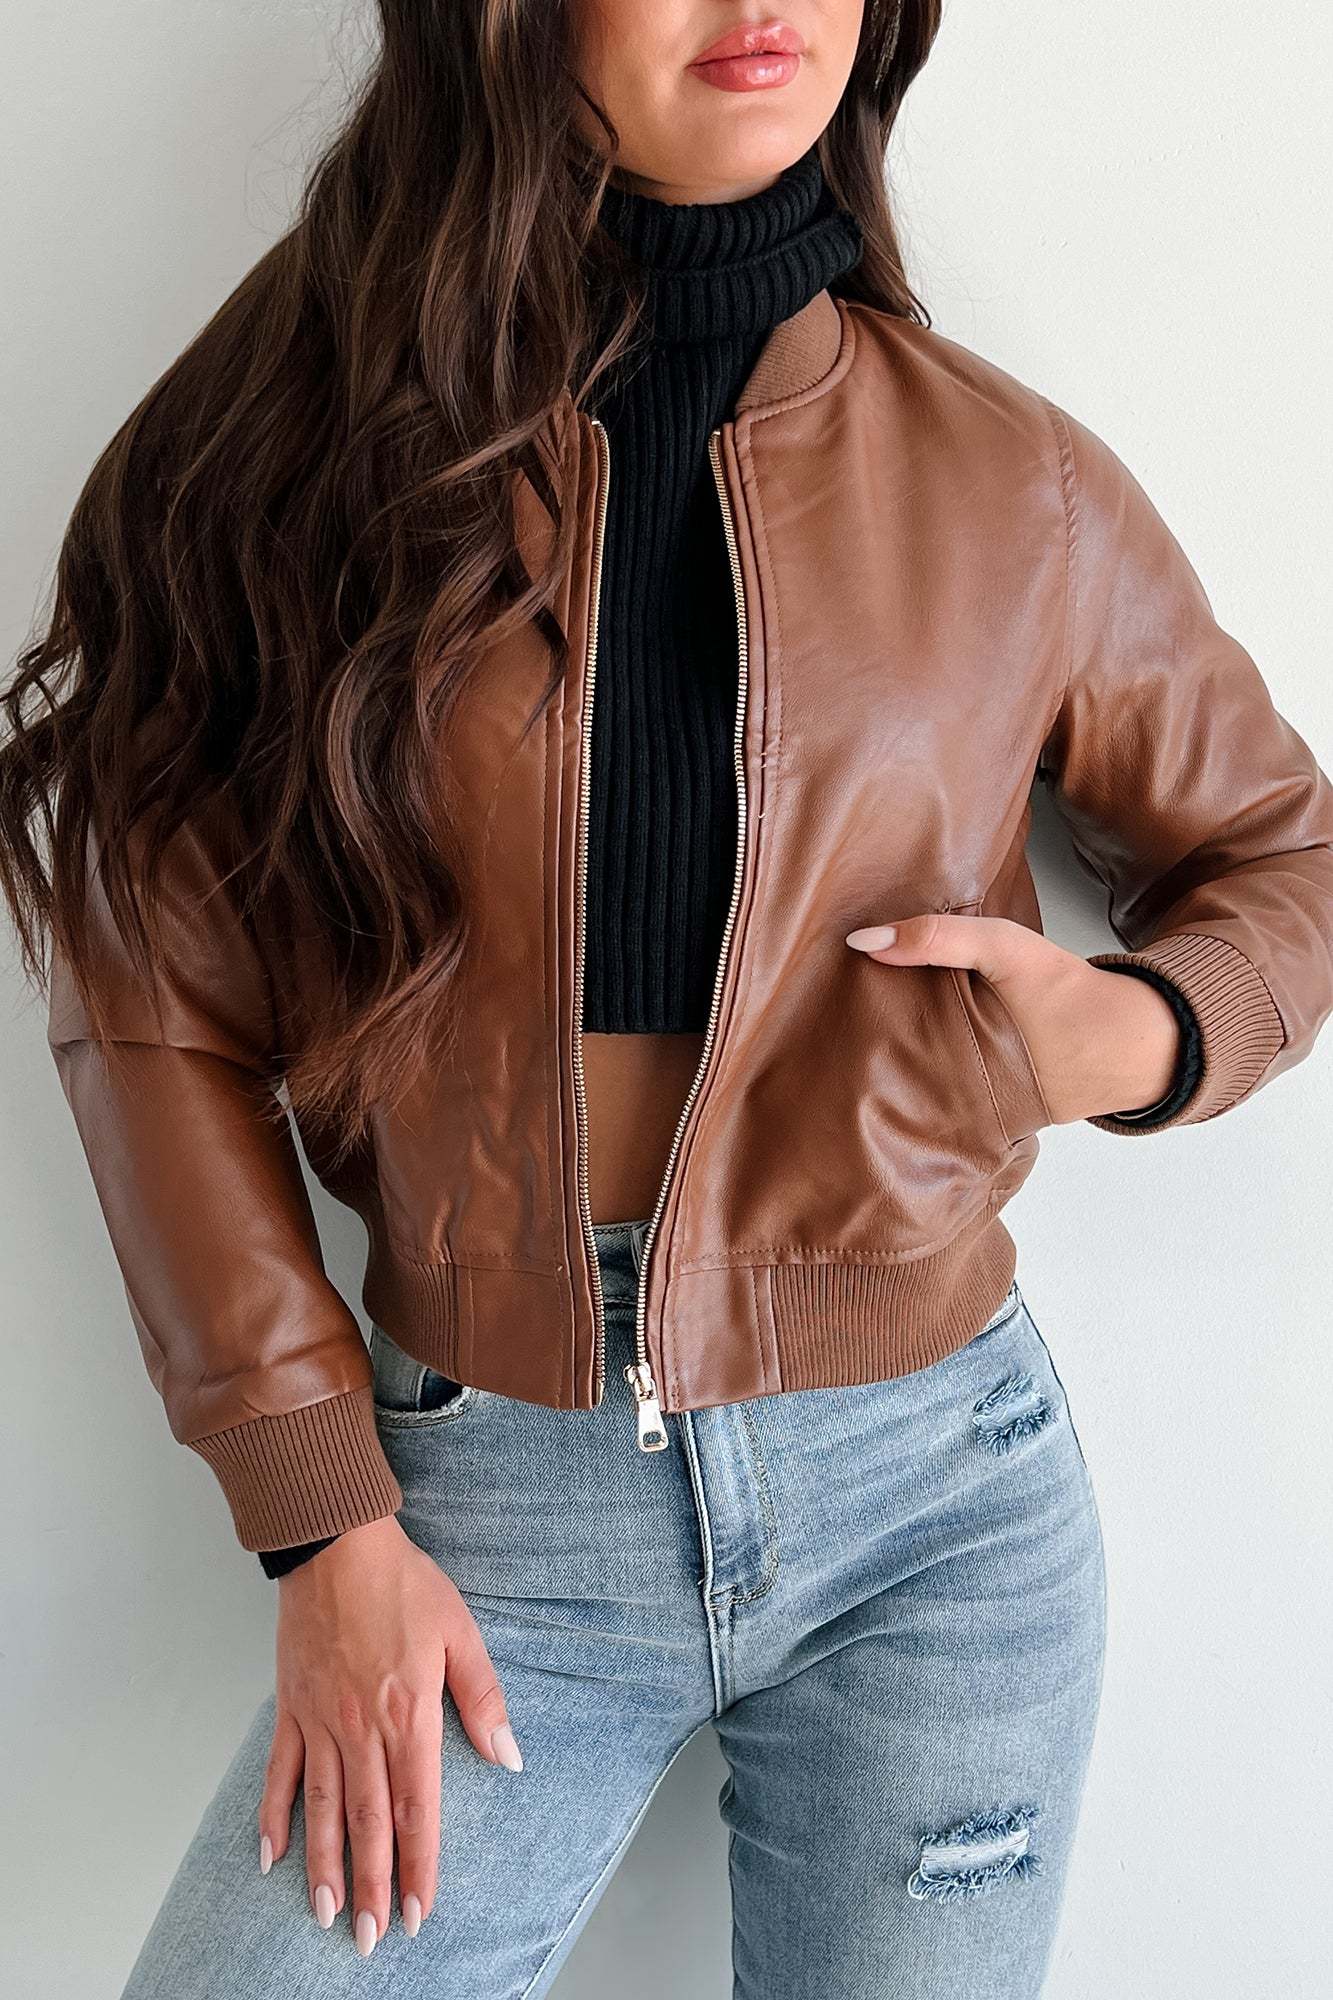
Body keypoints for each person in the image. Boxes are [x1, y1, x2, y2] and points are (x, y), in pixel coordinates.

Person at [4, 4, 1331, 1995]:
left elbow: (1281, 857)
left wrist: (1137, 1036)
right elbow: (150, 1003)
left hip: (937, 1503)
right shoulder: (292, 450)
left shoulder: (1008, 482)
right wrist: (320, 1523)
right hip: (478, 1510)